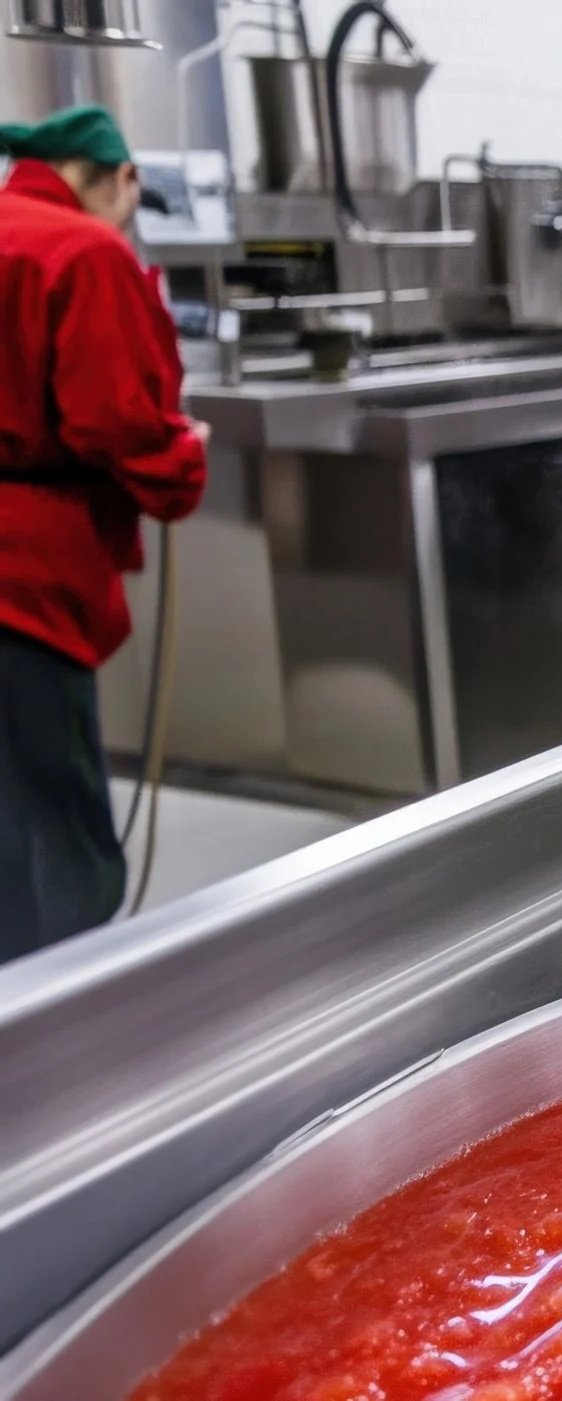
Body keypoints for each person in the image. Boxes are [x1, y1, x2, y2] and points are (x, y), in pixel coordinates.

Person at [0, 104, 209, 958]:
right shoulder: (82, 252)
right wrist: (182, 462)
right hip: (27, 575)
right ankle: (61, 1027)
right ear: (120, 179)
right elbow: (116, 419)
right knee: (54, 823)